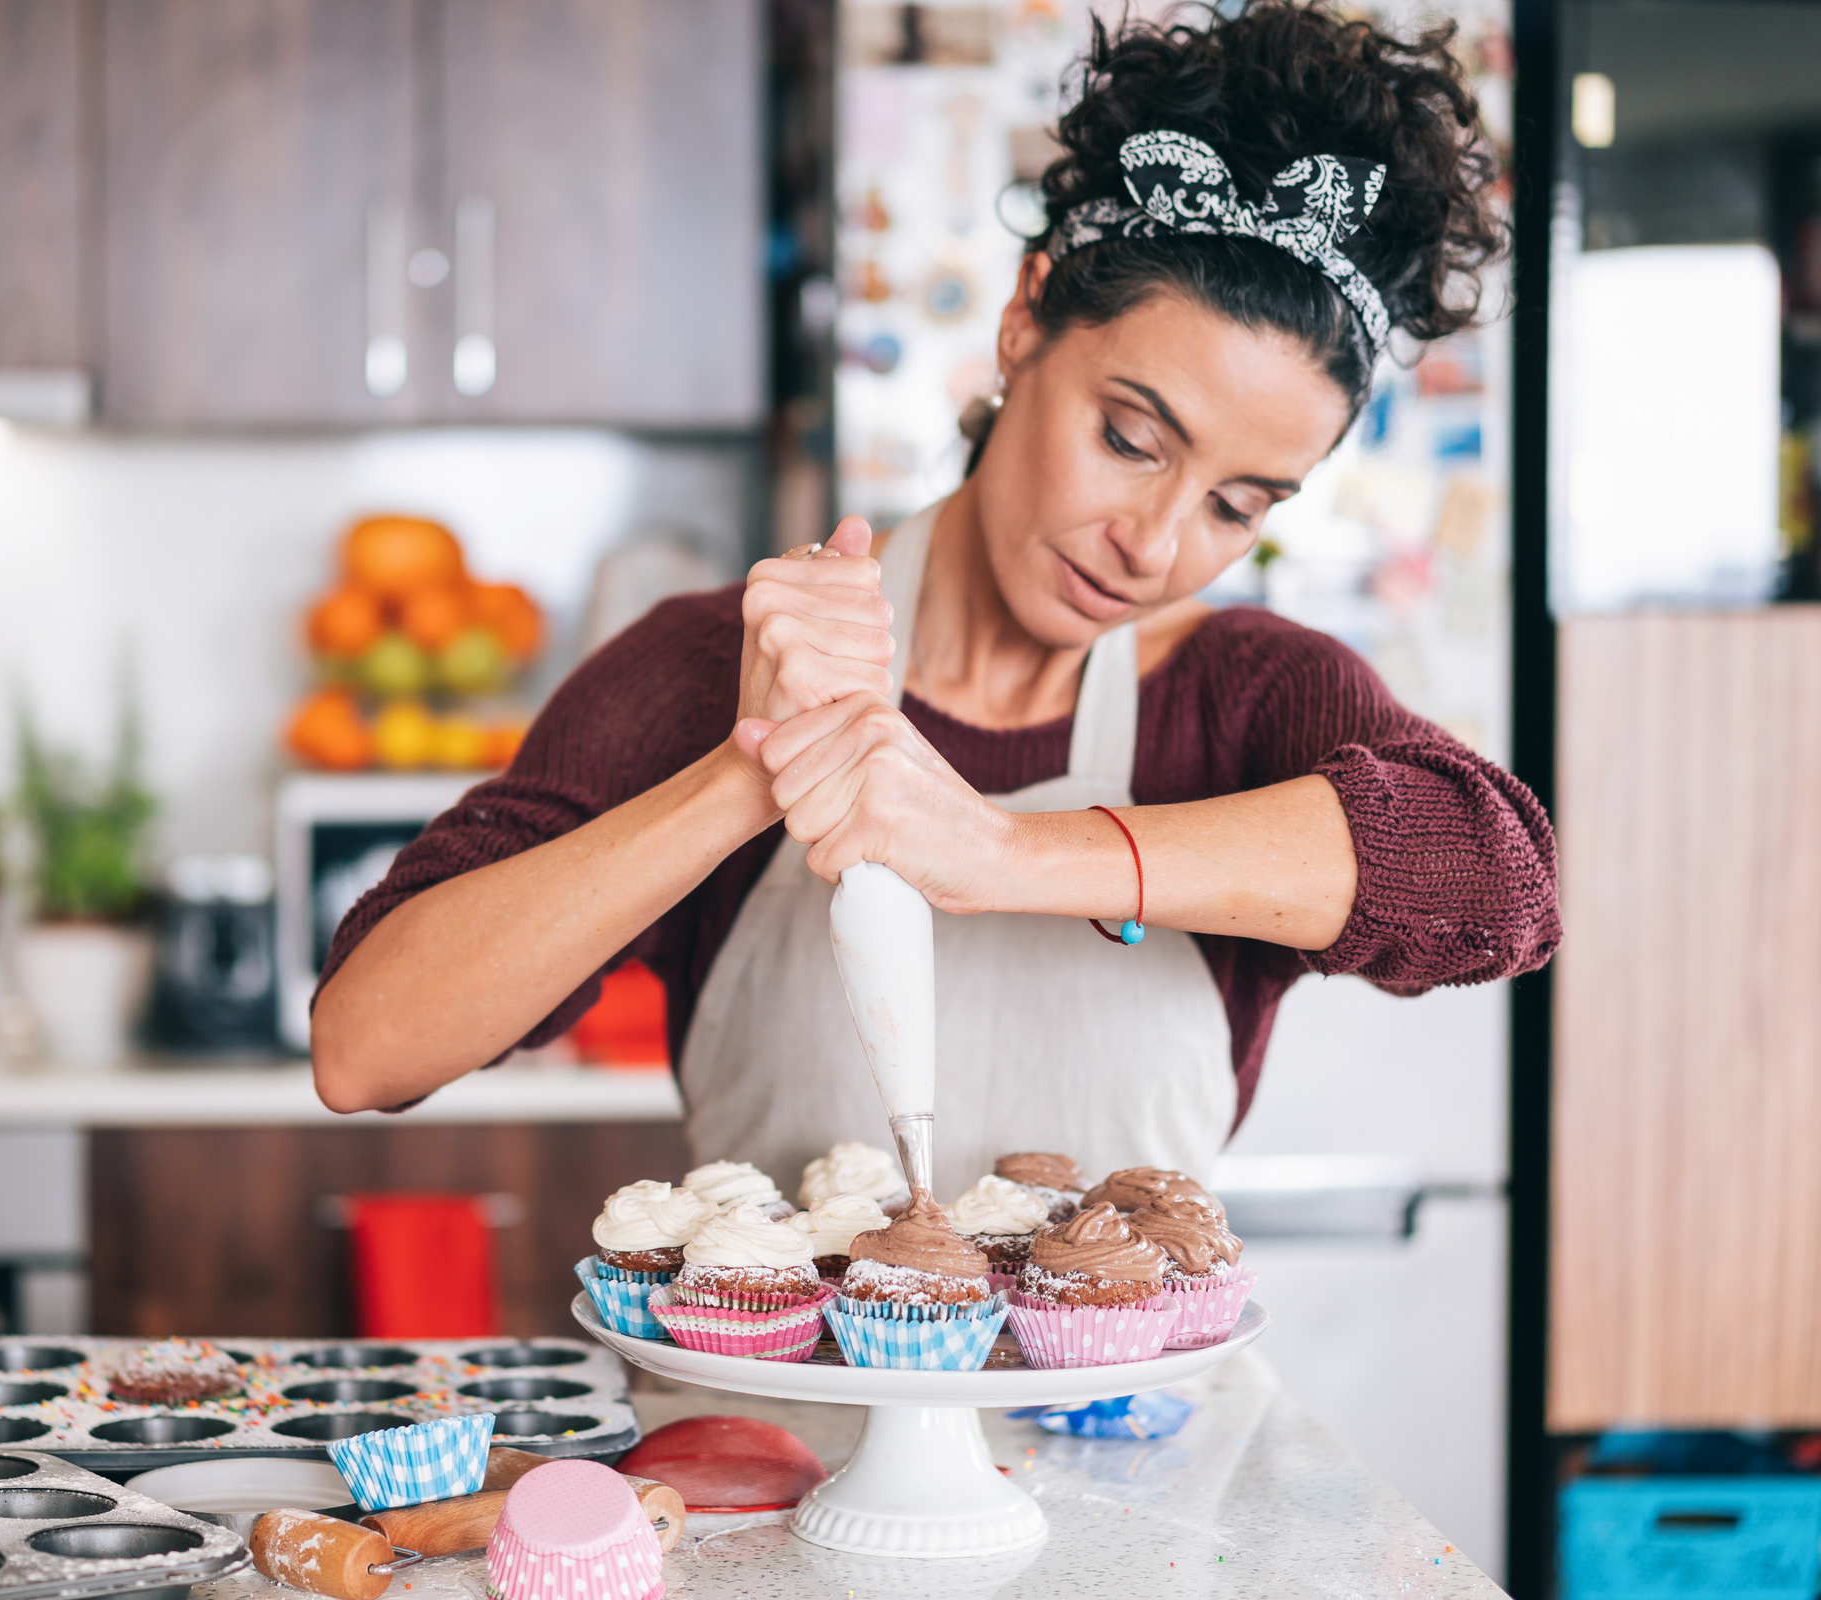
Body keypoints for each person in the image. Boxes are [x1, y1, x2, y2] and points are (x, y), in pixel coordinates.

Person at [309, 1, 1559, 1191]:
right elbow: (367, 1046)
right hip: (771, 1426)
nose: (1156, 543)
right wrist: (754, 768)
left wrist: (1003, 850)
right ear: (1022, 324)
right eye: (1131, 438)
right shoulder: (716, 663)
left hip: (1126, 1423)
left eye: (1240, 505)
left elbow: (1504, 885)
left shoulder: (1247, 700)